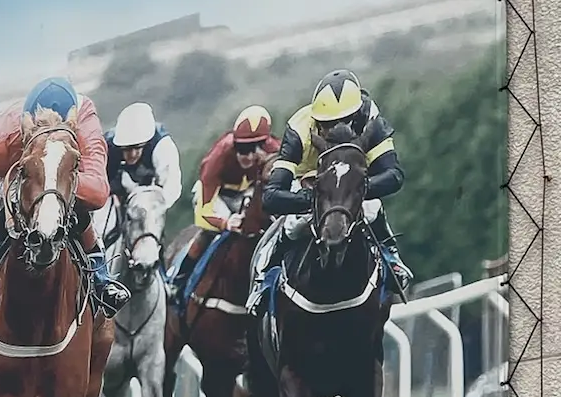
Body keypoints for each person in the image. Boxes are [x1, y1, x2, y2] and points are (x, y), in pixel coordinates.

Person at [0, 78, 115, 350]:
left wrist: (54, 180)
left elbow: (98, 192)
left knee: (78, 213)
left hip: (63, 184)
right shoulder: (1, 137)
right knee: (3, 218)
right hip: (16, 183)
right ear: (25, 129)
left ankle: (102, 281)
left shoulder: (84, 117)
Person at [252, 70, 412, 316]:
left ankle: (391, 258)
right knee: (294, 224)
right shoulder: (299, 129)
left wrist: (355, 190)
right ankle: (266, 273)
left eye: (344, 121)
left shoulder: (371, 118)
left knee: (371, 208)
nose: (335, 130)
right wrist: (313, 198)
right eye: (326, 125)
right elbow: (272, 196)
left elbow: (394, 175)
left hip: (351, 179)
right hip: (309, 180)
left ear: (356, 116)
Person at [167, 106, 275, 308]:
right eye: (242, 149)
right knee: (209, 232)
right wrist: (225, 223)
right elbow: (203, 213)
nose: (248, 156)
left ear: (265, 144)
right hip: (217, 195)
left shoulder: (274, 150)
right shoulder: (218, 157)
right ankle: (178, 280)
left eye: (255, 148)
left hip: (249, 191)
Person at [104, 101, 183, 238]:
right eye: (126, 149)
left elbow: (172, 188)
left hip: (151, 196)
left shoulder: (163, 146)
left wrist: (150, 207)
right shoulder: (107, 146)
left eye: (137, 147)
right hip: (116, 192)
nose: (132, 154)